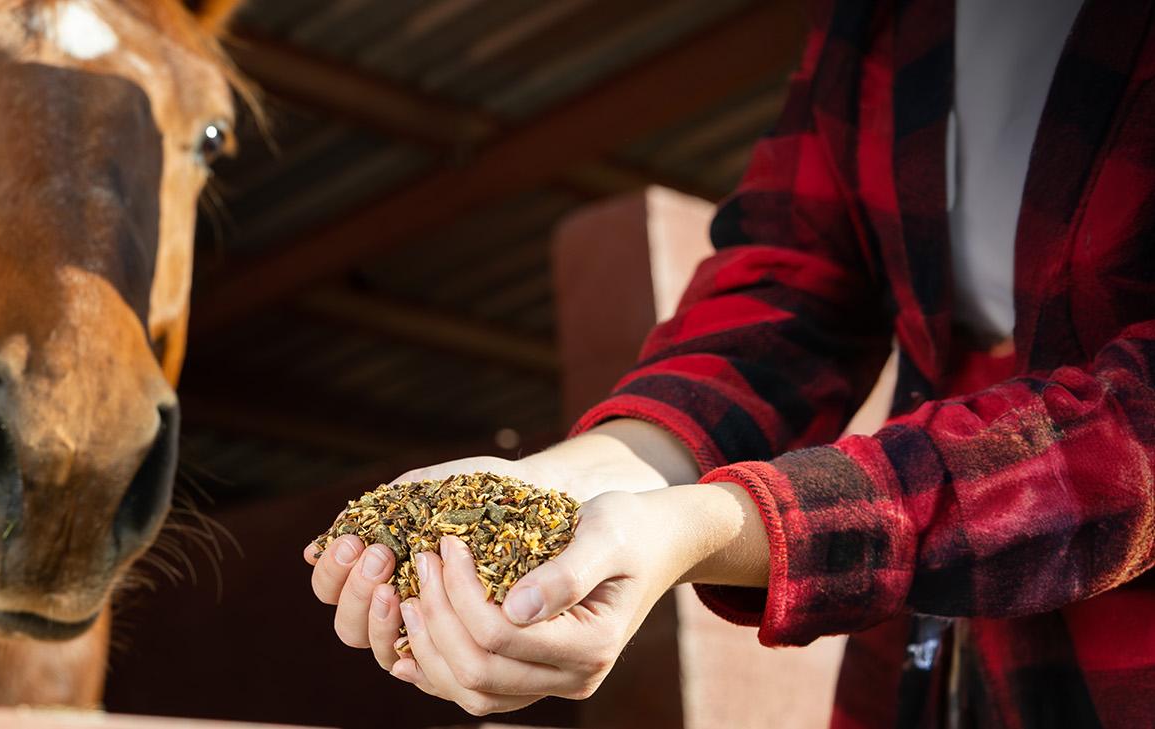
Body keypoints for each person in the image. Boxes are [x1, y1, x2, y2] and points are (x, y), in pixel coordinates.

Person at [304, 0, 1155, 726]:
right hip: (932, 654)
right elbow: (795, 278)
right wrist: (574, 485)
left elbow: (1135, 436)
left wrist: (712, 527)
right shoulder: (878, 21)